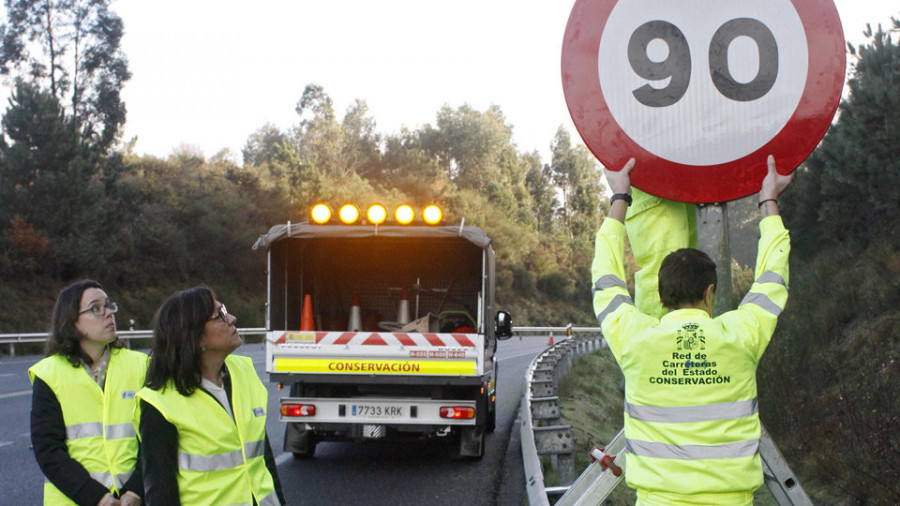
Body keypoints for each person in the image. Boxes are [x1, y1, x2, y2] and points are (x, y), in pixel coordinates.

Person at [592, 155, 793, 505]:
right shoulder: (740, 335)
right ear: (709, 292)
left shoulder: (635, 340)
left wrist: (619, 198)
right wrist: (768, 200)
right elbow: (773, 278)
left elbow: (604, 278)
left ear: (659, 294)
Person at [135, 286, 285, 506]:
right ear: (195, 338)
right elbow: (161, 493)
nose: (232, 319)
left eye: (226, 310)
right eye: (220, 316)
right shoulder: (160, 403)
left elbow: (264, 459)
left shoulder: (244, 372)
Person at [29, 280, 146, 506]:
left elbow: (155, 440)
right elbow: (48, 450)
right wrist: (95, 496)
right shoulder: (49, 374)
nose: (108, 313)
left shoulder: (140, 366)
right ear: (72, 322)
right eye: (96, 308)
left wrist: (137, 490)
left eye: (109, 305)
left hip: (134, 500)